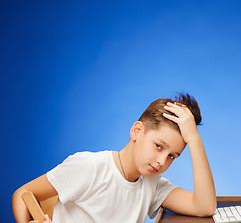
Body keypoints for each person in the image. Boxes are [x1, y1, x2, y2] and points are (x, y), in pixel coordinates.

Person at [12, 93, 217, 223]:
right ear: (137, 131)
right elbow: (23, 193)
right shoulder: (90, 167)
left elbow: (205, 207)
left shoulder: (152, 185)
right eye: (158, 146)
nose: (162, 161)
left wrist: (194, 139)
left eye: (172, 155)